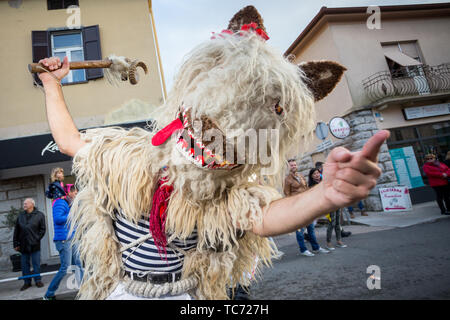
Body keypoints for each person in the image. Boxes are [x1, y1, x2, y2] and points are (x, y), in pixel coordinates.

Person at [36, 5, 387, 300]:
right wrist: (52, 84)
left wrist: (325, 195)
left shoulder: (227, 193)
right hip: (124, 292)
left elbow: (264, 218)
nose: (216, 138)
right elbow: (70, 141)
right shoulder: (126, 158)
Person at [44, 186, 84, 300]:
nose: (76, 194)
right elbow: (58, 219)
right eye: (74, 192)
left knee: (78, 264)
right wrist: (73, 214)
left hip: (72, 238)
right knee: (65, 268)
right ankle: (49, 294)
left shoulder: (70, 204)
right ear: (69, 193)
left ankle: (83, 290)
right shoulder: (60, 203)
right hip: (63, 240)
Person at [285, 164, 329, 256]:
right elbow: (287, 195)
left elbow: (306, 189)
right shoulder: (287, 180)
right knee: (300, 231)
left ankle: (316, 247)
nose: (293, 166)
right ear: (288, 167)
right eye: (291, 165)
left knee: (311, 228)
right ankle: (303, 249)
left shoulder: (301, 176)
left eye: (295, 164)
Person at [13, 198, 46, 291]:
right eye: (24, 203)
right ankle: (26, 282)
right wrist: (15, 243)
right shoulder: (20, 216)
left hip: (34, 244)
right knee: (24, 264)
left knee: (36, 263)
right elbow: (16, 231)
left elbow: (42, 230)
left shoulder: (40, 215)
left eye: (26, 203)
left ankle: (38, 280)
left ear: (32, 204)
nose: (24, 205)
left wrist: (36, 238)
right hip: (23, 244)